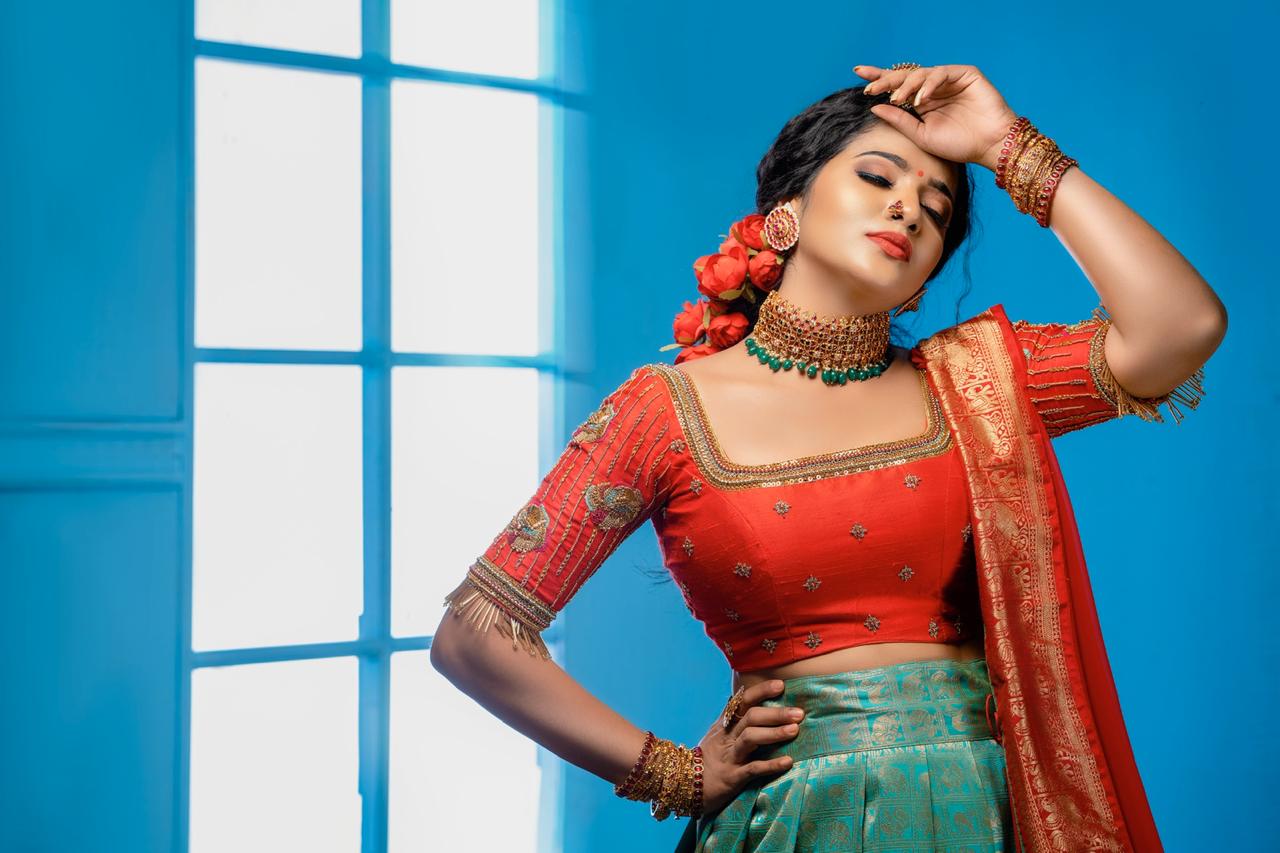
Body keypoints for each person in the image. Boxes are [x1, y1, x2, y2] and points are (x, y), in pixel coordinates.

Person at [430, 62, 1224, 852]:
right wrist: (673, 773)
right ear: (787, 213)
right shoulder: (663, 412)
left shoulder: (978, 386)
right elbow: (474, 635)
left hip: (985, 812)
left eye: (937, 209)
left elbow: (1180, 326)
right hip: (793, 819)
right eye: (877, 176)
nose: (908, 207)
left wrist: (1006, 143)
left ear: (922, 279)